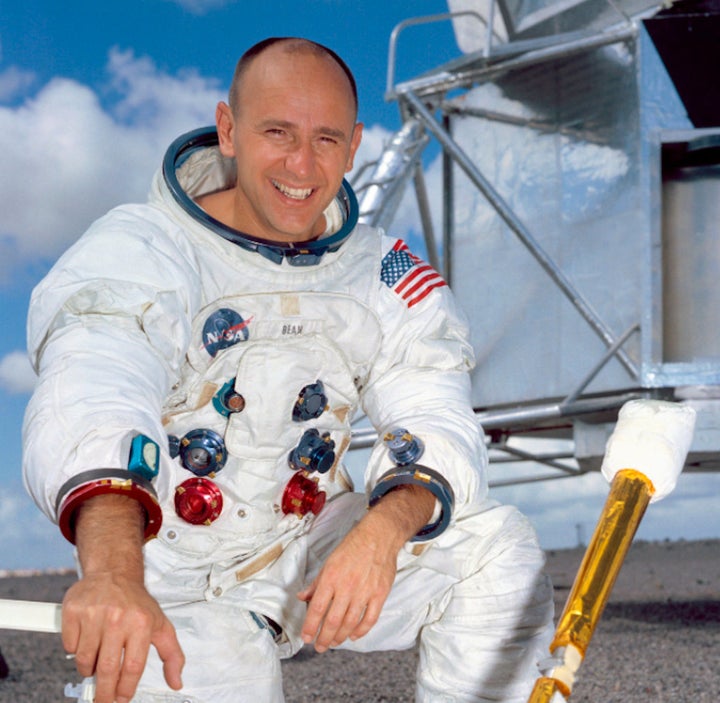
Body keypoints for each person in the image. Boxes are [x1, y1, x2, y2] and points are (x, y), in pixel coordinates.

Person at [22, 37, 553, 703]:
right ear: (229, 130)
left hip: (307, 550)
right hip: (171, 579)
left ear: (355, 144)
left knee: (495, 550)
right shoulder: (141, 248)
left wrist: (384, 529)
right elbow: (96, 387)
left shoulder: (380, 273)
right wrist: (112, 573)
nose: (303, 163)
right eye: (278, 132)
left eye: (326, 139)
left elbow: (436, 410)